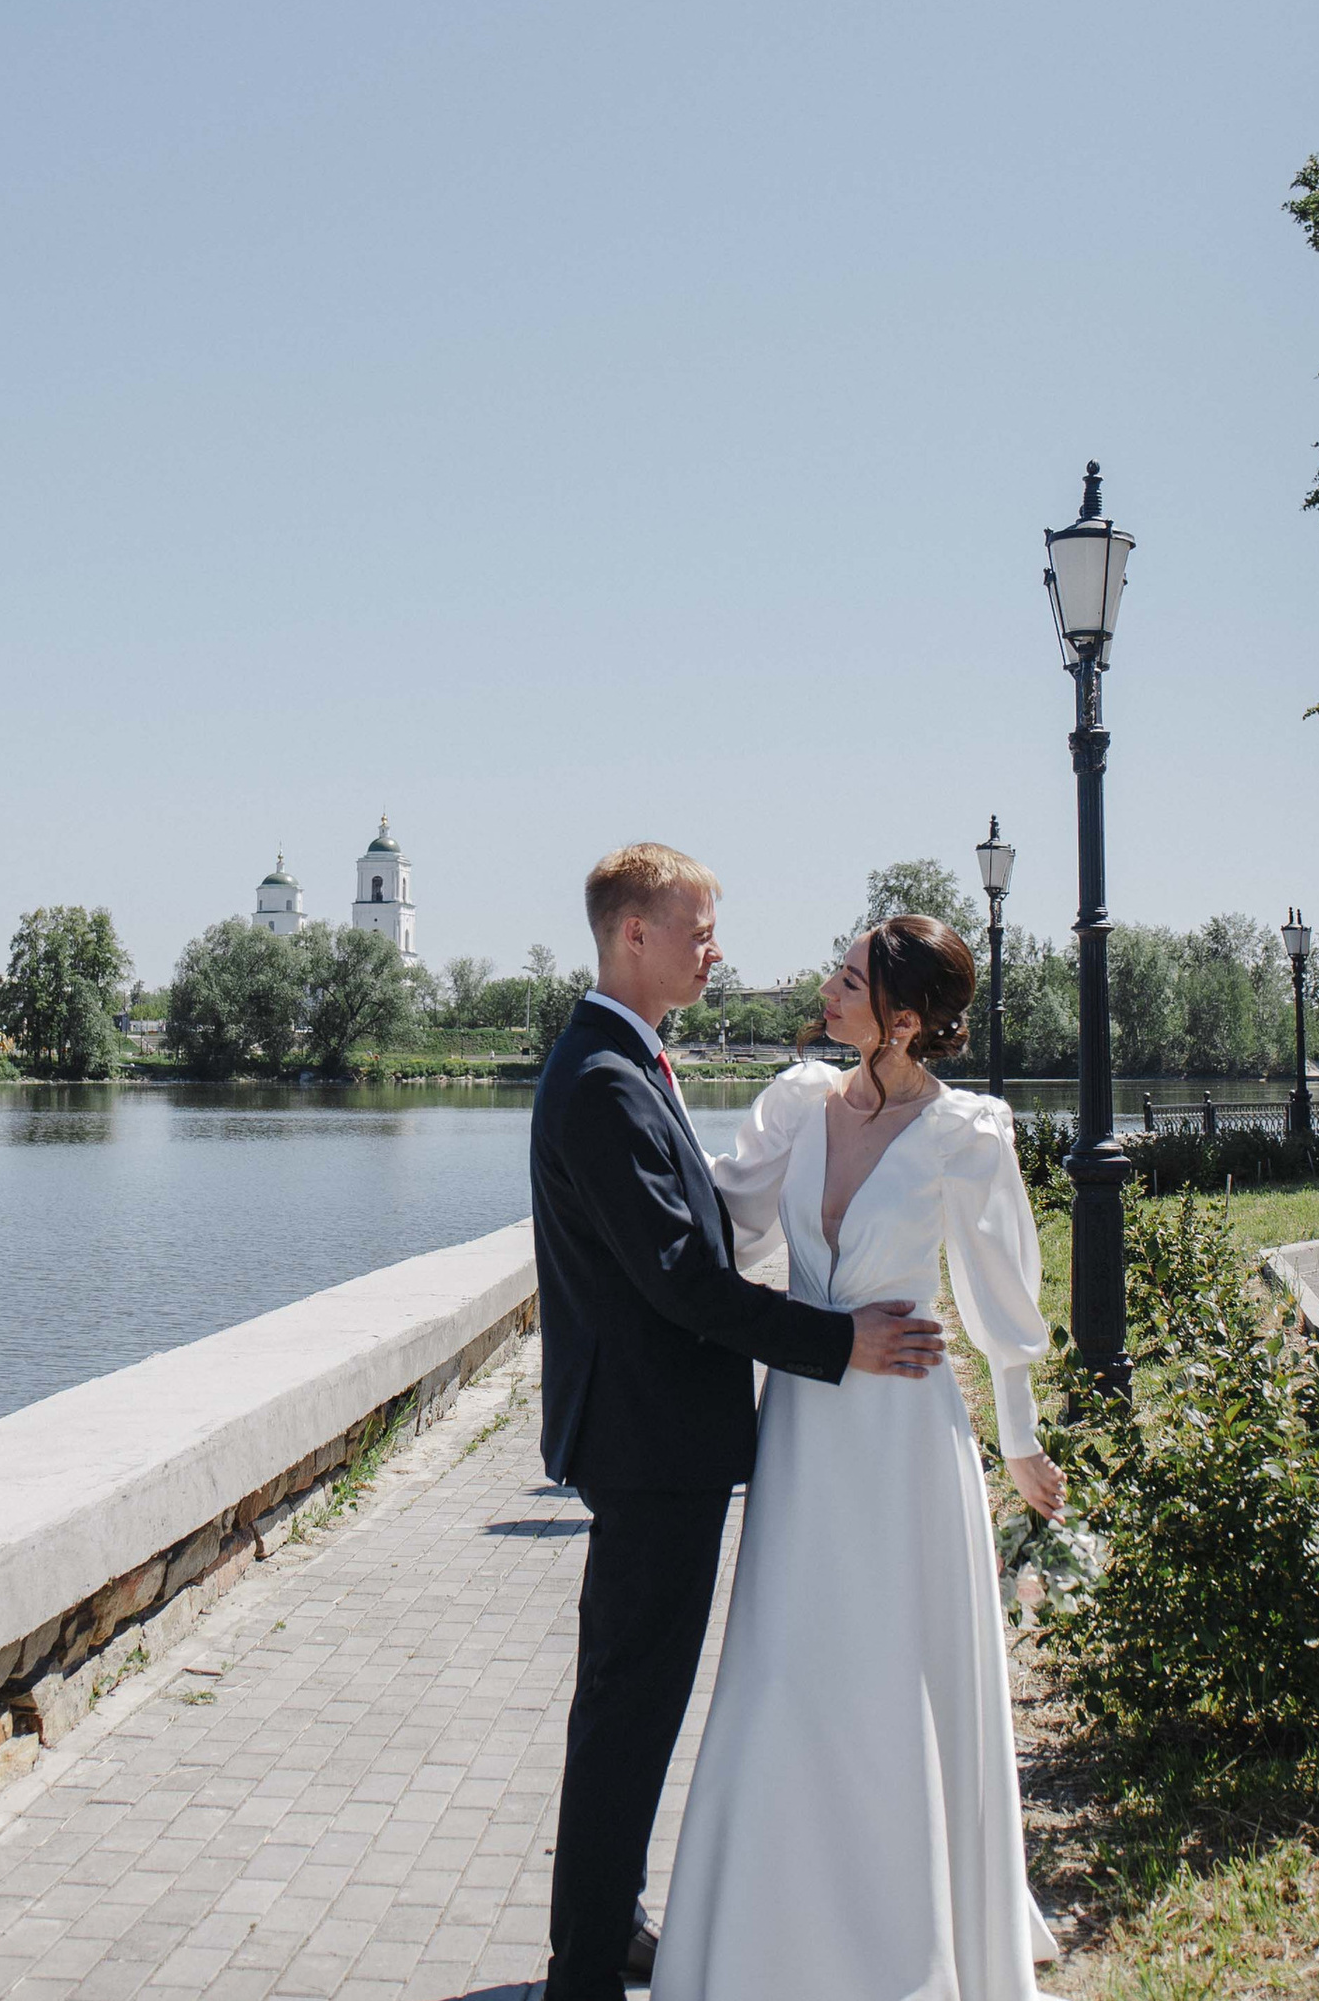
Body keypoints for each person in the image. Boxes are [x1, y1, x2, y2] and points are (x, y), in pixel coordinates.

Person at [529, 846, 948, 2001]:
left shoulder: (623, 1057)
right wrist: (833, 1341)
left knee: (631, 1698)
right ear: (633, 937)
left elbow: (699, 1233)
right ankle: (582, 1967)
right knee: (629, 1706)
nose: (716, 947)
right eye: (698, 928)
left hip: (652, 1438)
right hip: (648, 1444)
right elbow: (677, 1275)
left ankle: (605, 1921)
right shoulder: (606, 1077)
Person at [650, 913, 1064, 2001]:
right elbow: (720, 1221)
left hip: (902, 1438)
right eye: (834, 971)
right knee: (788, 1664)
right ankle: (765, 1936)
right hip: (801, 1422)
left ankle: (909, 1947)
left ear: (907, 1019)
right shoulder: (796, 1104)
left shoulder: (965, 1136)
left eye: (850, 979)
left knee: (893, 1672)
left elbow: (1000, 1298)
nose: (828, 989)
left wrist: (1019, 1440)